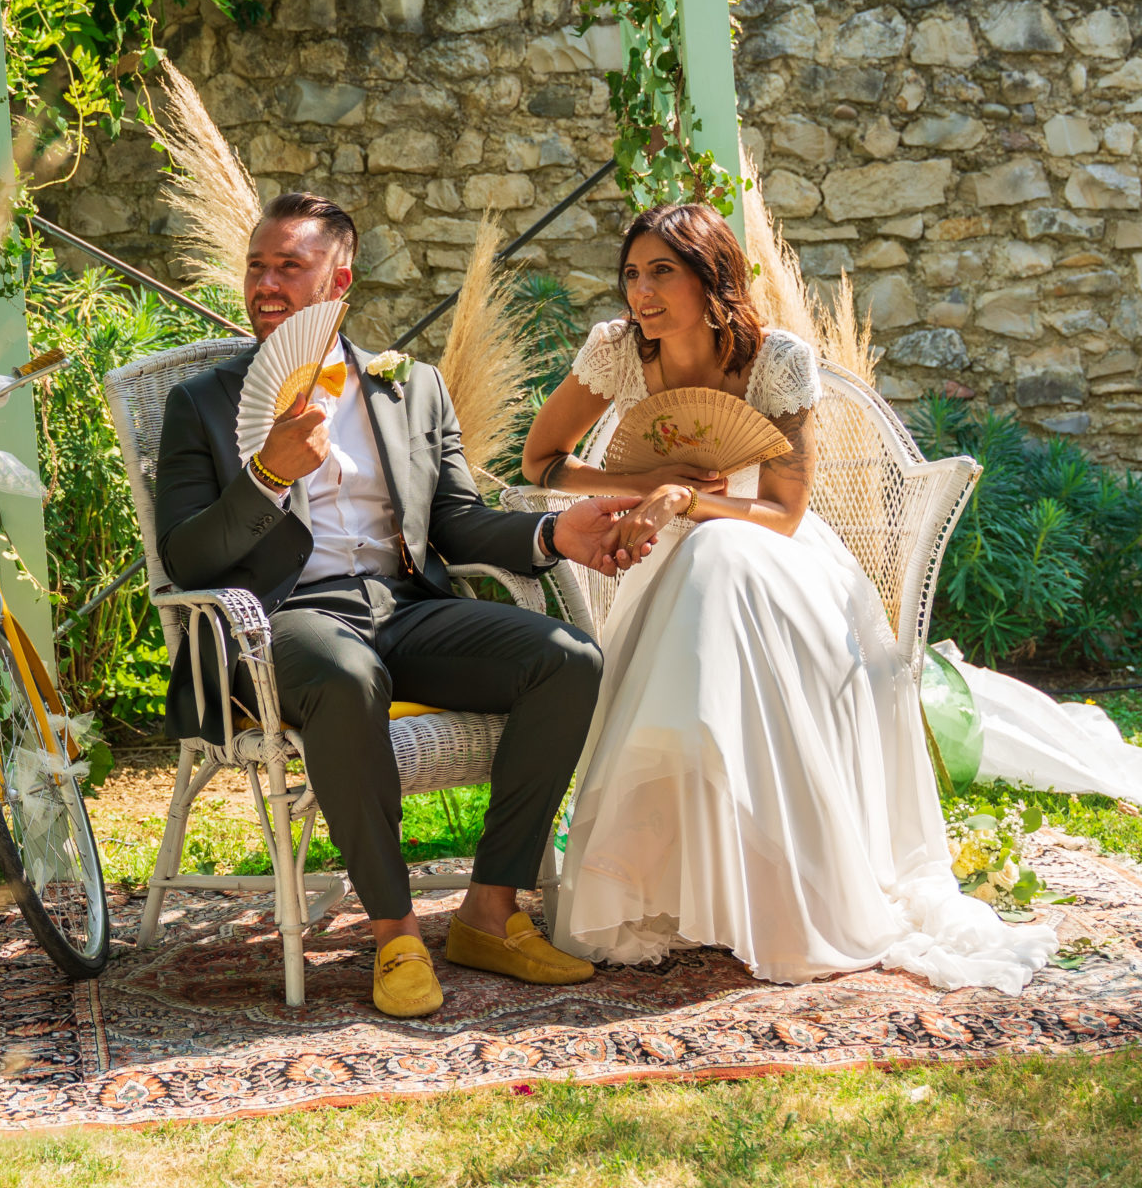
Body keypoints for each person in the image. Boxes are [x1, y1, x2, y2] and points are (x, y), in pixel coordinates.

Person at [521, 203, 1057, 992]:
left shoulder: (776, 360)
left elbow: (782, 511)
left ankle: (783, 883)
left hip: (775, 561)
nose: (641, 293)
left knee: (720, 552)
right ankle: (674, 879)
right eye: (631, 274)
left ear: (712, 280)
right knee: (702, 562)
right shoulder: (616, 351)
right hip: (671, 563)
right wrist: (647, 481)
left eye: (663, 272)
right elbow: (542, 460)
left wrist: (686, 501)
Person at [154, 191, 645, 1020]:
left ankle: (490, 910)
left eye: (289, 266)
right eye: (257, 266)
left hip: (403, 607)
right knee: (347, 676)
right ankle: (397, 936)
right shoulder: (200, 403)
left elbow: (456, 521)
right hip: (286, 620)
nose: (265, 284)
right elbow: (186, 557)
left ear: (339, 281)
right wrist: (266, 476)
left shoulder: (409, 387)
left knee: (566, 660)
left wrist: (553, 532)